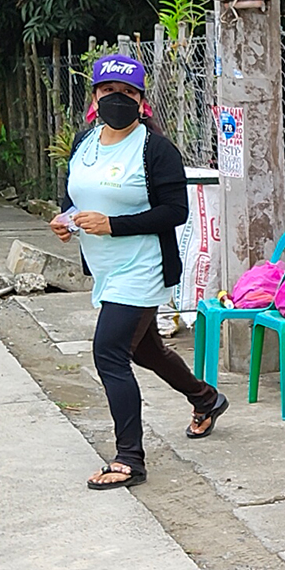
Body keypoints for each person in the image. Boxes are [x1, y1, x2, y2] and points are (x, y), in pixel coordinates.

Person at [51, 55, 229, 490]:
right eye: (109, 91)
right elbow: (76, 194)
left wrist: (113, 226)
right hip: (105, 267)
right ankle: (206, 398)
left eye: (128, 93)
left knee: (109, 351)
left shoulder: (155, 149)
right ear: (94, 96)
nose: (118, 100)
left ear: (142, 101)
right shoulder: (85, 141)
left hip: (142, 266)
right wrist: (66, 218)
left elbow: (175, 211)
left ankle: (129, 457)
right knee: (144, 349)